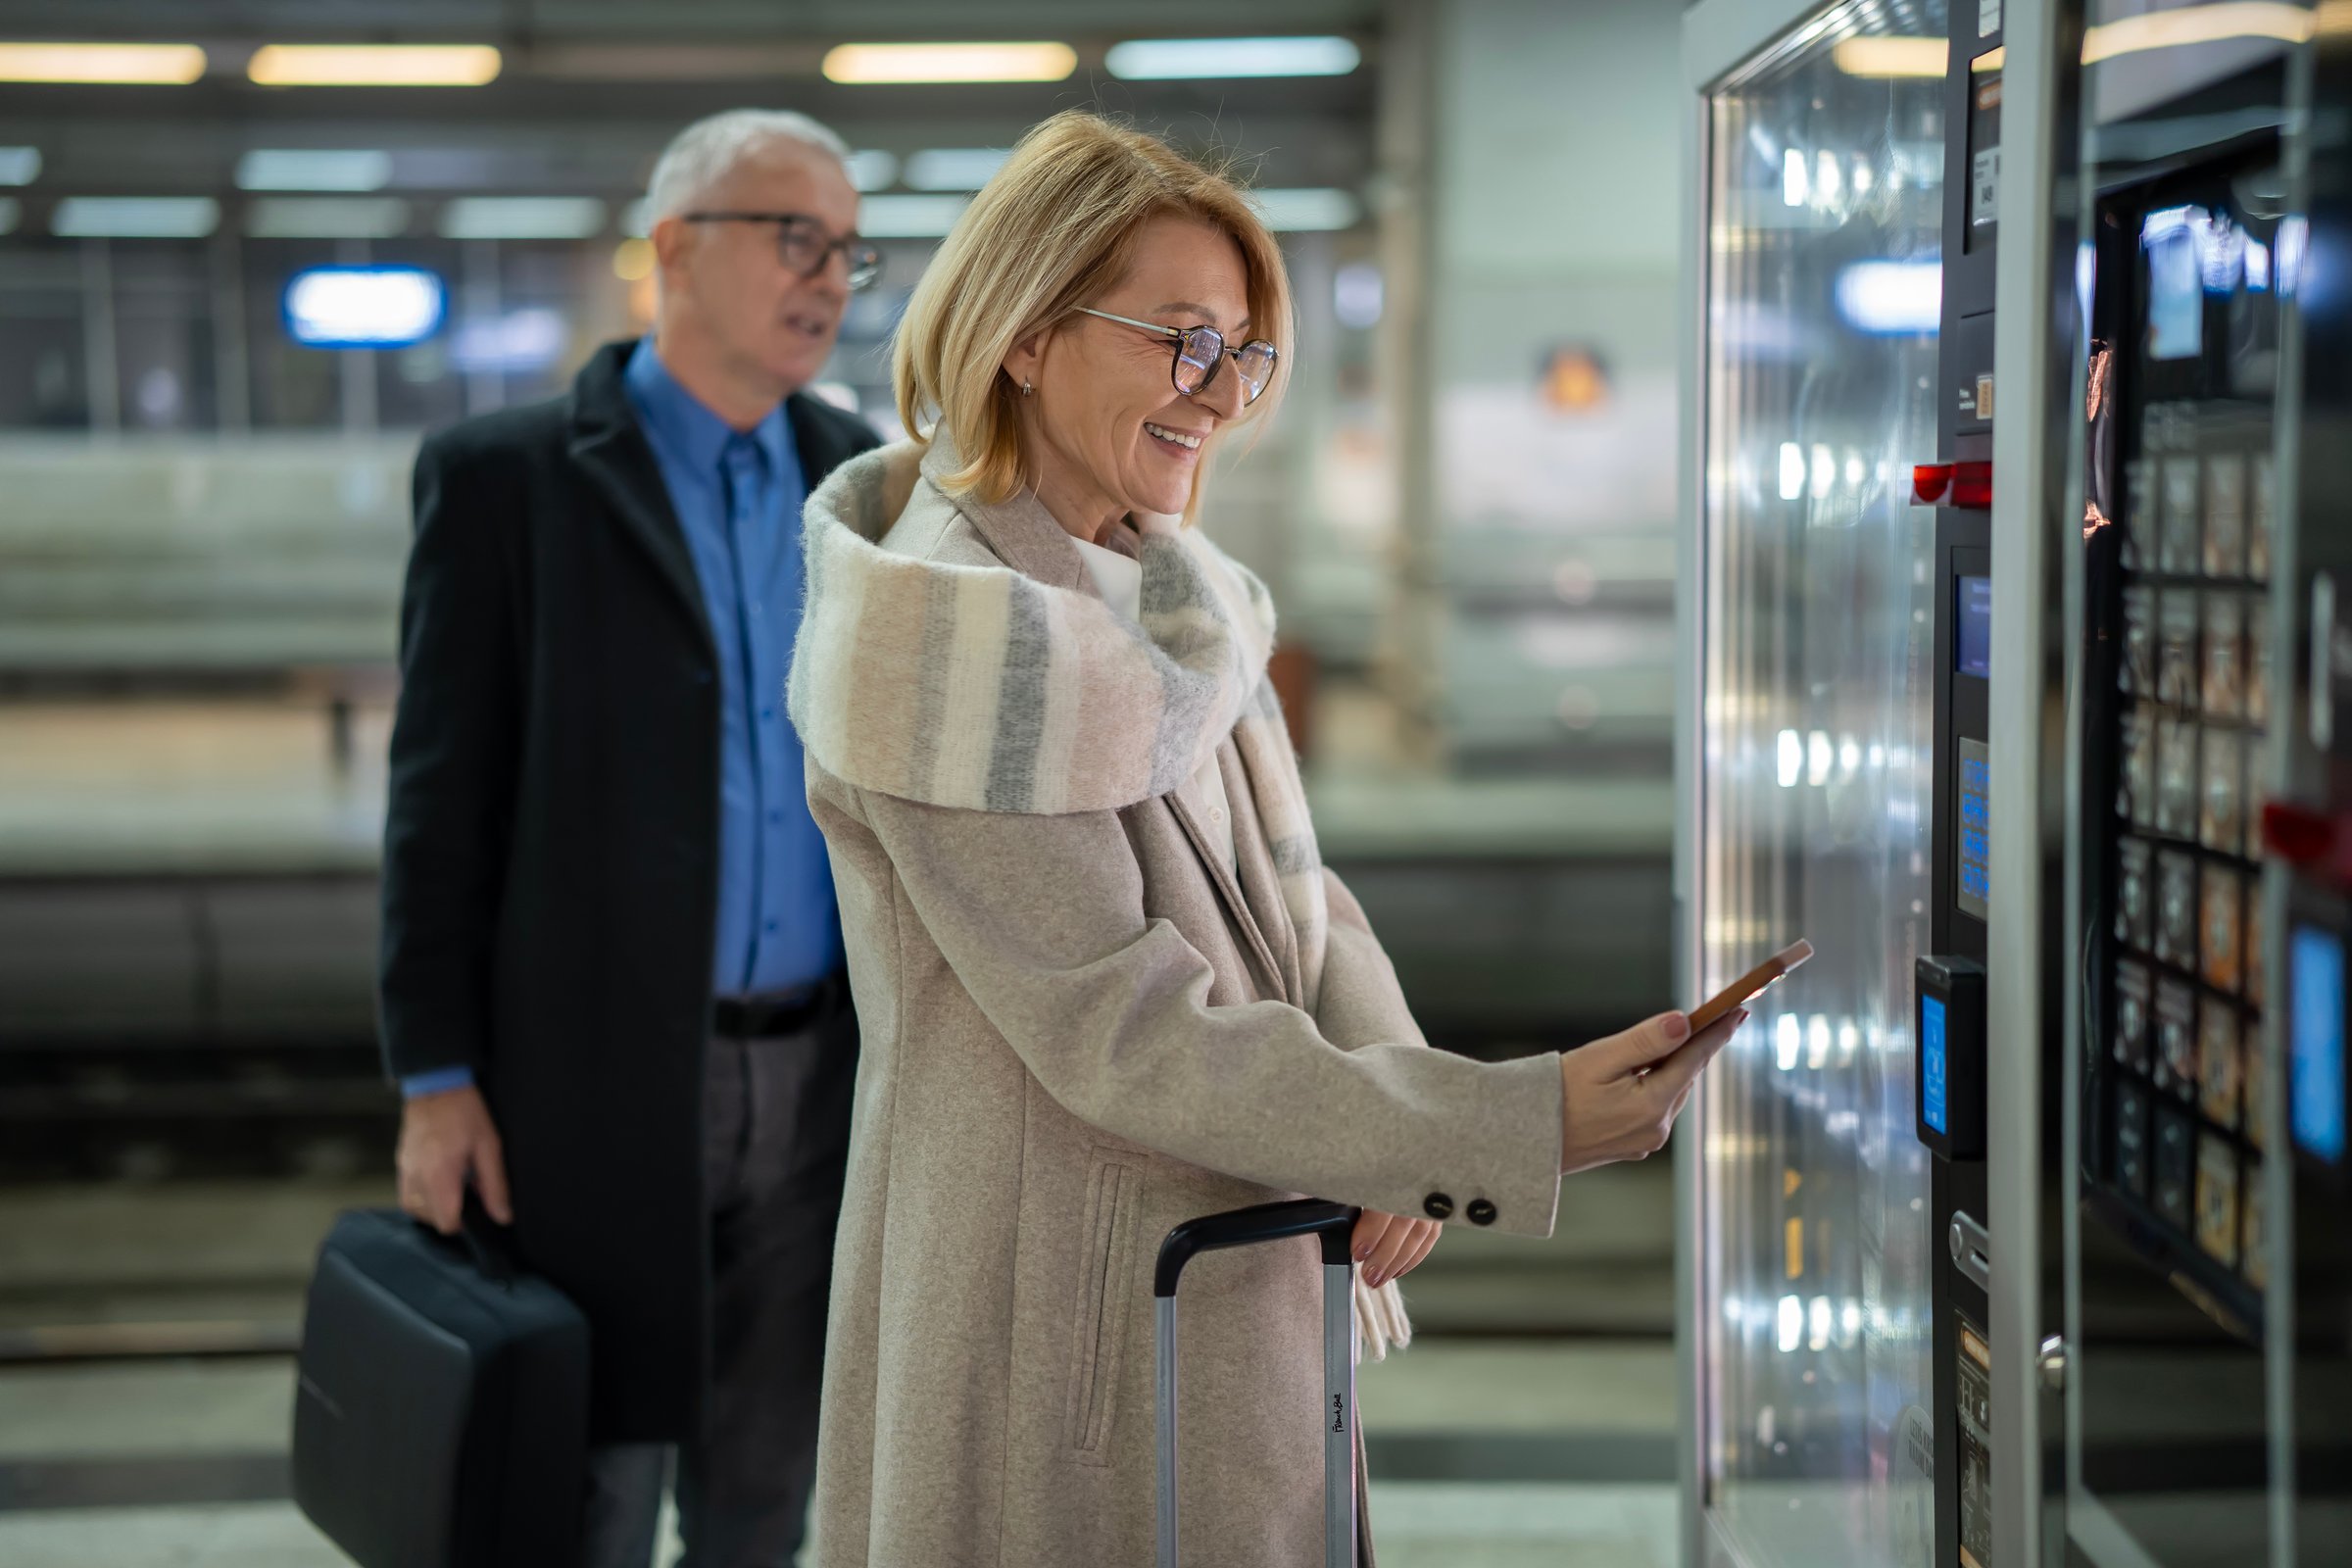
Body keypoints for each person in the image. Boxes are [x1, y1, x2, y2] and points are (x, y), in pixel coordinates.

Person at [784, 110, 1747, 1568]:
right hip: (1063, 1339)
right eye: (1180, 338)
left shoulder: (1179, 595)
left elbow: (1303, 902)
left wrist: (1401, 1117)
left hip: (1224, 1274)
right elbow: (1128, 1031)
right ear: (1025, 333)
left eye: (1243, 350)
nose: (1219, 392)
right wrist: (1500, 1125)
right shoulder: (947, 647)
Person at [377, 108, 881, 1567]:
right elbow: (439, 802)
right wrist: (435, 1081)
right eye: (798, 238)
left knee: (767, 1494)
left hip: (822, 1076)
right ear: (674, 250)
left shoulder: (866, 488)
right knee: (586, 1493)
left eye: (848, 249)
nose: (832, 277)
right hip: (585, 1086)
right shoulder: (510, 482)